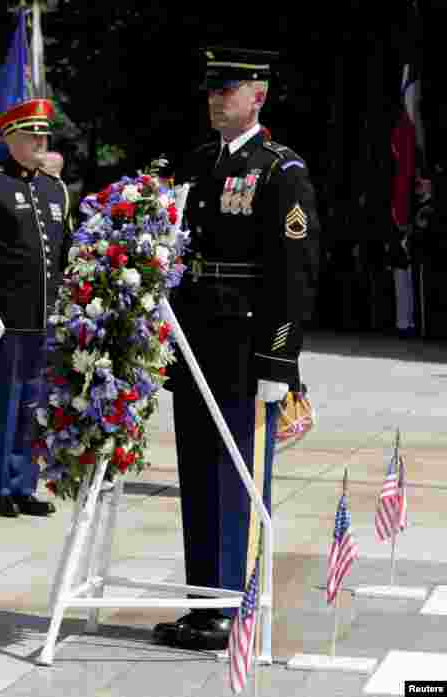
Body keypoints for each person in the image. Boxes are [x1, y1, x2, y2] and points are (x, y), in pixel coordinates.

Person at [153, 47, 320, 651]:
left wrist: (282, 361)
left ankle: (235, 604)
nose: (217, 99)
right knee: (197, 474)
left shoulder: (281, 170)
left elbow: (294, 275)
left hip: (249, 349)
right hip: (197, 346)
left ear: (259, 96)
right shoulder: (198, 163)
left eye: (230, 89)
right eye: (212, 90)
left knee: (238, 476)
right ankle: (205, 602)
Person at [0, 98, 68, 518]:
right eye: (31, 135)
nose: (40, 142)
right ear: (10, 140)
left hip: (46, 318)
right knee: (3, 405)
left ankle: (25, 484)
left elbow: (65, 254)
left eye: (44, 135)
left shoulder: (54, 188)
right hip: (5, 320)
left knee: (35, 407)